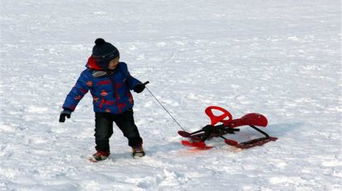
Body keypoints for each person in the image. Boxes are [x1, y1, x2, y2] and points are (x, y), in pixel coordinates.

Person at [59, 38, 147, 161]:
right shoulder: (88, 76)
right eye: (113, 61)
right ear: (103, 62)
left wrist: (136, 85)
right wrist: (67, 108)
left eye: (117, 59)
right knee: (102, 134)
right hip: (103, 110)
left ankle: (136, 146)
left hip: (123, 107)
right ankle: (102, 151)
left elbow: (128, 79)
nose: (116, 62)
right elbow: (77, 91)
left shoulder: (121, 68)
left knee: (130, 130)